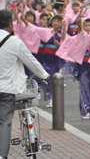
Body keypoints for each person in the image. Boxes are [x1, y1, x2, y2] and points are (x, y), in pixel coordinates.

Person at [0, 9, 50, 159]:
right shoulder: (14, 42)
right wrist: (44, 75)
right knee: (4, 122)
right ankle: (2, 156)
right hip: (7, 90)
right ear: (10, 24)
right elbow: (32, 63)